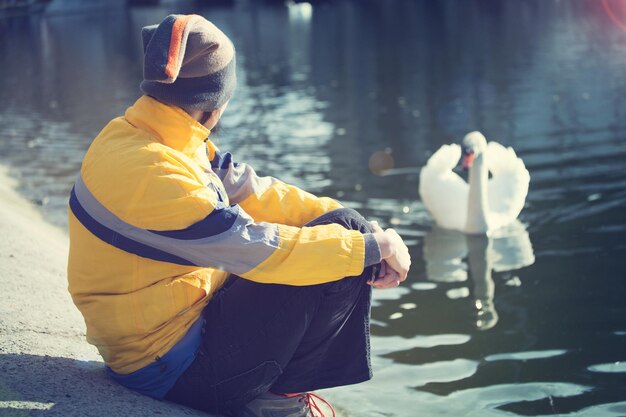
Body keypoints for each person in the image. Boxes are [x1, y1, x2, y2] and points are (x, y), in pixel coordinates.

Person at [67, 14, 410, 417]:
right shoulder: (158, 177)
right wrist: (373, 246)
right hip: (167, 367)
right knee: (344, 253)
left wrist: (347, 219)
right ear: (215, 100)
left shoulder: (142, 135)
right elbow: (259, 249)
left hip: (165, 330)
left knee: (345, 226)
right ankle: (278, 402)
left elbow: (254, 190)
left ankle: (278, 389)